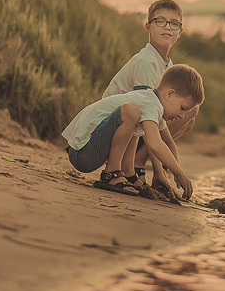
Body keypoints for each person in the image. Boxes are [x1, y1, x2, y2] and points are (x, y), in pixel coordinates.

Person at [62, 64, 204, 200]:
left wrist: (175, 174)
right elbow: (155, 144)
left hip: (87, 150)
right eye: (183, 108)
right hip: (83, 152)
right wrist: (179, 173)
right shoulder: (150, 104)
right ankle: (111, 173)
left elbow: (169, 143)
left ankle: (128, 172)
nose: (182, 116)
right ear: (169, 94)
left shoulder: (154, 104)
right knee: (131, 111)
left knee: (136, 120)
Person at [104, 0, 200, 195]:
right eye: (160, 21)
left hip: (135, 126)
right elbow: (147, 117)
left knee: (189, 111)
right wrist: (158, 171)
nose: (167, 27)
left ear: (180, 31)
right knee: (146, 113)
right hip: (113, 128)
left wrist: (170, 170)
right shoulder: (147, 62)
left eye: (174, 23)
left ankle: (136, 163)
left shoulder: (166, 64)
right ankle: (132, 166)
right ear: (148, 26)